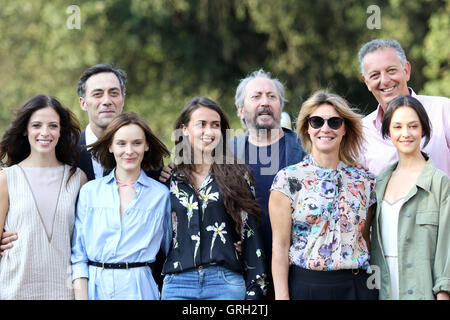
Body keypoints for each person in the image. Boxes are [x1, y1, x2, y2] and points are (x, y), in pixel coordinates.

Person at [269, 90, 378, 300]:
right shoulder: (287, 180)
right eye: (317, 122)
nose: (325, 129)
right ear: (307, 128)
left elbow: (365, 239)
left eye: (334, 122)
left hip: (357, 285)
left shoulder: (366, 180)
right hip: (307, 286)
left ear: (345, 128)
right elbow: (280, 247)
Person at [161, 97, 267, 300]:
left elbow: (250, 233)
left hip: (224, 282)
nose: (209, 132)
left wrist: (256, 288)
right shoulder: (171, 179)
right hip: (177, 284)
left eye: (215, 125)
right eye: (201, 124)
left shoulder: (238, 175)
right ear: (184, 129)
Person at [71, 112, 171, 300]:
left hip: (140, 288)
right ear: (110, 146)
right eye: (121, 143)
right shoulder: (89, 192)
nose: (129, 151)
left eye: (137, 143)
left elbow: (171, 250)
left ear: (146, 145)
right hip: (95, 287)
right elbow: (78, 255)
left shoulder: (161, 195)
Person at [0, 94, 87, 299]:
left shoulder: (77, 179)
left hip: (64, 291)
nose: (45, 133)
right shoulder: (6, 178)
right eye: (37, 125)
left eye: (53, 126)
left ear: (61, 131)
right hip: (14, 289)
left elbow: (82, 244)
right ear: (25, 130)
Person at [232, 69, 307, 298]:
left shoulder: (306, 148)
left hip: (297, 271)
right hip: (244, 273)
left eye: (271, 96)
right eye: (256, 97)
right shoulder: (225, 153)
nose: (265, 102)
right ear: (241, 110)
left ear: (280, 107)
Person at [370, 95, 449, 300]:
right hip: (383, 290)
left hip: (423, 290)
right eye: (397, 127)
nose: (405, 134)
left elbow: (446, 251)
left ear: (423, 129)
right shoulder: (378, 184)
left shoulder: (440, 183)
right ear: (388, 131)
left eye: (413, 126)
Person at [358, 38, 450, 177]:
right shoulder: (361, 132)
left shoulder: (443, 110)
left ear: (406, 71)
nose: (385, 80)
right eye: (375, 75)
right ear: (367, 82)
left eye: (391, 70)